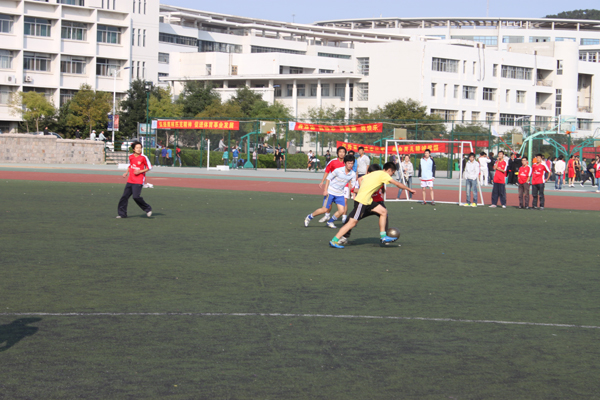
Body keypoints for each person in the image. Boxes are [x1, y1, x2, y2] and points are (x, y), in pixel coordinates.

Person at [329, 162, 416, 249]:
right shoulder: (384, 175)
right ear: (389, 170)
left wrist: (363, 189)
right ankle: (334, 240)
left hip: (368, 201)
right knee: (352, 222)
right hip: (362, 201)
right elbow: (397, 184)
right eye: (392, 173)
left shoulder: (375, 173)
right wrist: (409, 189)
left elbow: (360, 178)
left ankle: (383, 236)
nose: (391, 175)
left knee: (383, 211)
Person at [339, 164, 388, 245]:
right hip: (365, 203)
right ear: (368, 172)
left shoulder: (379, 178)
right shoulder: (362, 179)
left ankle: (385, 237)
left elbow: (382, 188)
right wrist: (364, 191)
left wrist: (382, 190)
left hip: (377, 202)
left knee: (385, 215)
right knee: (350, 219)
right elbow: (354, 190)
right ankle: (344, 237)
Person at [305, 154, 356, 229]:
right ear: (345, 163)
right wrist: (325, 190)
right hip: (331, 192)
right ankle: (309, 217)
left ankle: (330, 222)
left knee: (342, 211)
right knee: (324, 209)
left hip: (340, 194)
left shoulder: (353, 174)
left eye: (352, 163)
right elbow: (328, 178)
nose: (350, 165)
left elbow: (353, 185)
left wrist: (353, 192)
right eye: (349, 163)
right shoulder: (338, 170)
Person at [117, 141, 152, 219]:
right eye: (137, 148)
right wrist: (126, 172)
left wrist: (140, 171)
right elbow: (130, 165)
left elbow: (149, 167)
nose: (139, 149)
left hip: (139, 180)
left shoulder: (144, 157)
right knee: (124, 197)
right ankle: (122, 214)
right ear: (133, 149)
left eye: (140, 148)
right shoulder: (131, 156)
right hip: (130, 180)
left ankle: (148, 209)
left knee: (136, 197)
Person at [318, 146, 347, 223]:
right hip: (332, 186)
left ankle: (344, 217)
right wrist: (322, 181)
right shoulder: (333, 162)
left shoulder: (347, 163)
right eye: (340, 152)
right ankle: (327, 216)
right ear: (337, 153)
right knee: (329, 204)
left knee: (344, 202)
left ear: (345, 153)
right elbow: (327, 171)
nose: (341, 153)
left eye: (343, 152)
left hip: (342, 187)